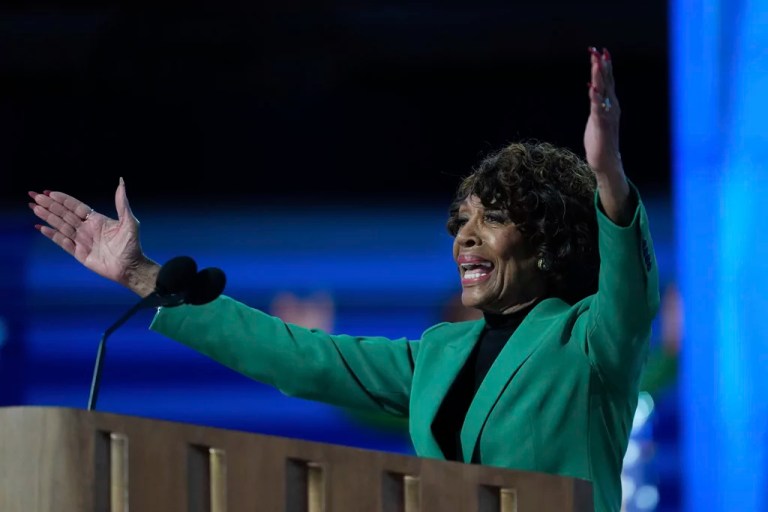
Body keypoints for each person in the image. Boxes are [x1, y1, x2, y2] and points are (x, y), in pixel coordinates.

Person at [27, 47, 659, 512]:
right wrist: (140, 274)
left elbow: (629, 280)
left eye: (492, 219)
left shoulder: (590, 341)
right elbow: (302, 360)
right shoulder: (441, 352)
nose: (464, 236)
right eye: (461, 220)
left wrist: (608, 175)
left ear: (548, 240)